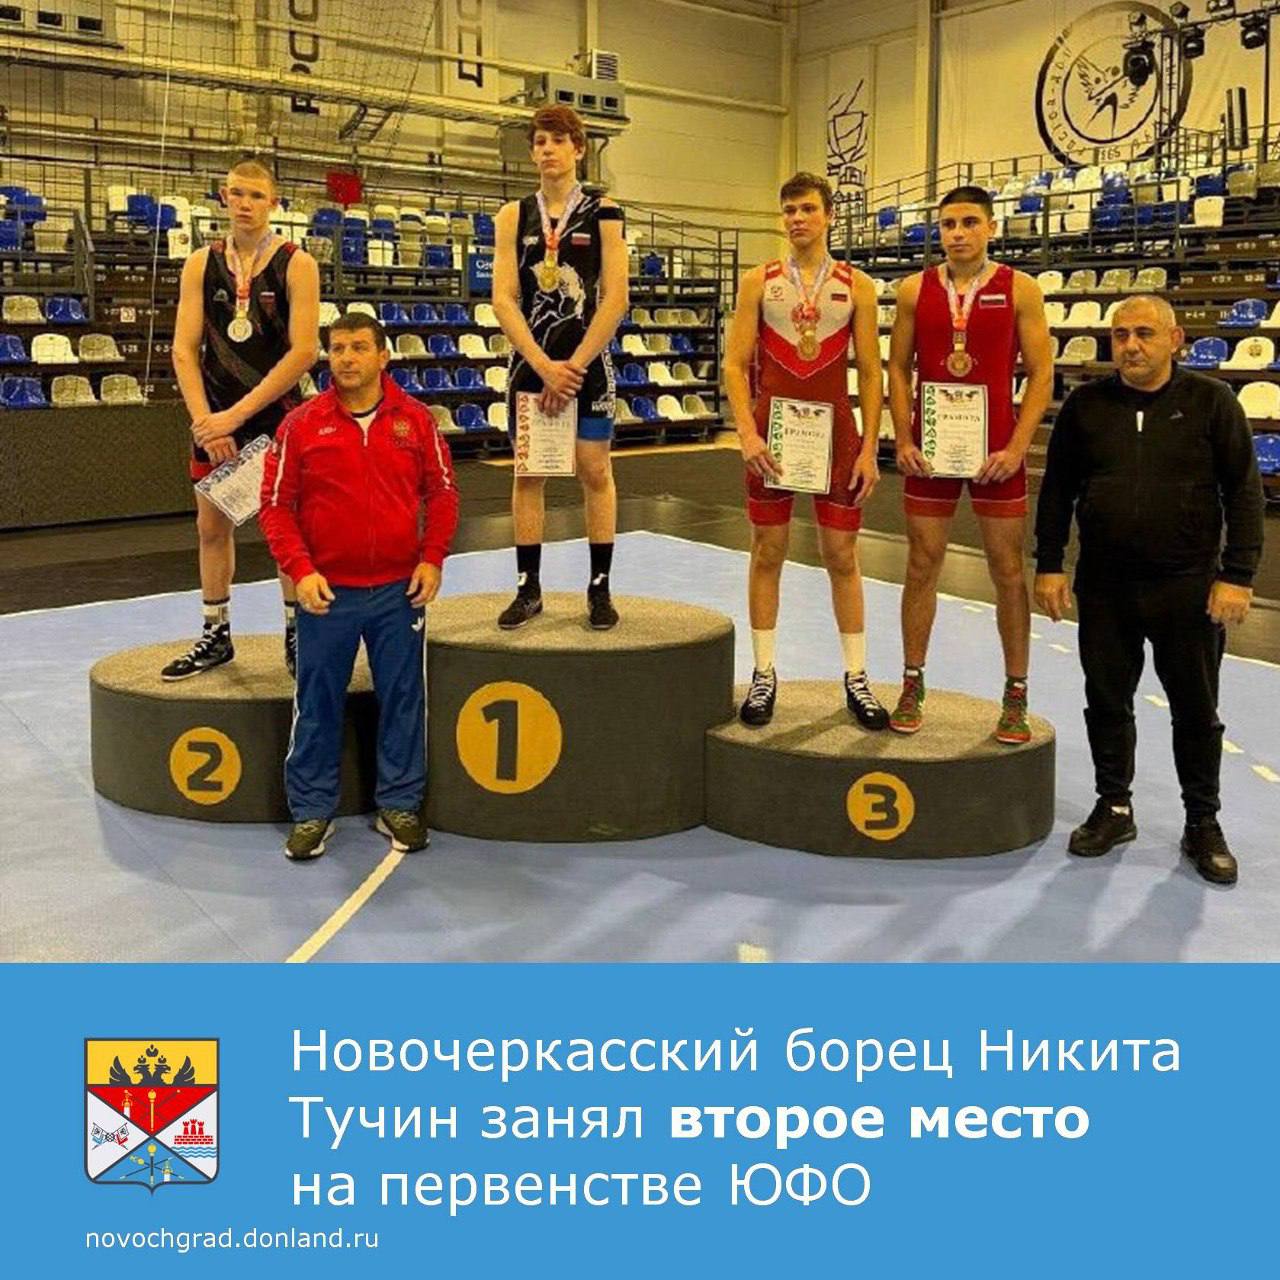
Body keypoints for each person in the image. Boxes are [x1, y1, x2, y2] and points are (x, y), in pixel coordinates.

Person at [1034, 295, 1264, 885]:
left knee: (1196, 711)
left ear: (1175, 339)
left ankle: (1202, 822)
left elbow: (1243, 491)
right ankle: (1114, 807)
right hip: (1105, 586)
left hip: (1187, 587)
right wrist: (1050, 564)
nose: (1130, 346)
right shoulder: (1085, 406)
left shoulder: (1212, 402)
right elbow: (1057, 491)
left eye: (1143, 333)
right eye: (1120, 335)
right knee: (1107, 702)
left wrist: (1237, 575)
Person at [259, 314, 459, 862]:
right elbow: (275, 506)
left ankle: (399, 803)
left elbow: (443, 494)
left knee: (404, 698)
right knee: (316, 702)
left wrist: (432, 559)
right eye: (338, 348)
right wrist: (301, 570)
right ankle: (311, 811)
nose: (347, 358)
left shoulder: (416, 420)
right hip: (327, 593)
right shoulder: (301, 425)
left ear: (383, 356)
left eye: (359, 347)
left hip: (399, 592)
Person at [887, 185, 1055, 742]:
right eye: (948, 224)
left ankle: (1016, 693)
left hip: (996, 450)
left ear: (991, 228)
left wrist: (1017, 449)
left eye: (969, 223)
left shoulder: (1020, 288)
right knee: (921, 564)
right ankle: (912, 682)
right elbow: (897, 369)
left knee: (1007, 570)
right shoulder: (914, 290)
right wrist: (903, 438)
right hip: (931, 449)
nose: (957, 233)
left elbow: (1042, 374)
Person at [723, 172, 887, 728]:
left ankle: (857, 676)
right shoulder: (759, 281)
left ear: (829, 215)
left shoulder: (857, 285)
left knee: (842, 555)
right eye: (789, 209)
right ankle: (764, 672)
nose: (797, 218)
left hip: (836, 433)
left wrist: (869, 448)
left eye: (808, 209)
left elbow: (870, 371)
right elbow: (734, 365)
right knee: (767, 551)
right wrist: (747, 434)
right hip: (772, 432)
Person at [164, 157, 320, 681]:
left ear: (273, 202)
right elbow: (183, 350)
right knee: (211, 527)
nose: (245, 204)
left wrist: (234, 417)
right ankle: (216, 633)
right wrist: (206, 422)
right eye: (237, 193)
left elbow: (304, 352)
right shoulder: (200, 264)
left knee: (286, 529)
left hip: (276, 416)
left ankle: (297, 632)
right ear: (223, 197)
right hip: (214, 417)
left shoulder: (297, 263)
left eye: (256, 195)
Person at [491, 105, 629, 631]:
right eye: (539, 142)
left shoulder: (605, 213)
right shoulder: (513, 216)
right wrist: (543, 365)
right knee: (530, 472)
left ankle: (600, 587)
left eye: (557, 140)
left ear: (579, 148)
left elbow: (615, 298)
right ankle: (528, 588)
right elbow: (503, 299)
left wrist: (572, 366)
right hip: (533, 362)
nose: (547, 149)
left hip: (586, 362)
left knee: (595, 469)